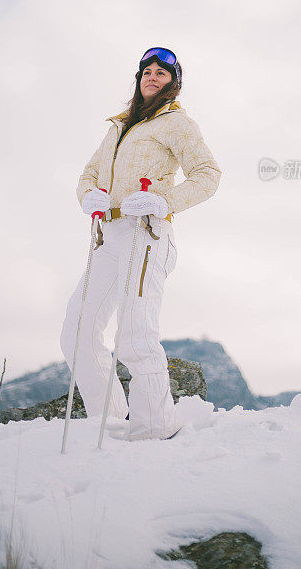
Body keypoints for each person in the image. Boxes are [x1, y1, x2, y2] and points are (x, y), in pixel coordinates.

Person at [60, 47, 221, 441]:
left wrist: (165, 202)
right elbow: (89, 173)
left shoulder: (176, 123)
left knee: (135, 334)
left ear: (173, 83)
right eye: (147, 71)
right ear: (139, 78)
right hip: (108, 237)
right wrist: (88, 196)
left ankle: (156, 430)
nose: (152, 76)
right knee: (77, 332)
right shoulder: (118, 126)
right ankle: (110, 421)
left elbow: (208, 174)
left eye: (162, 73)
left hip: (145, 234)